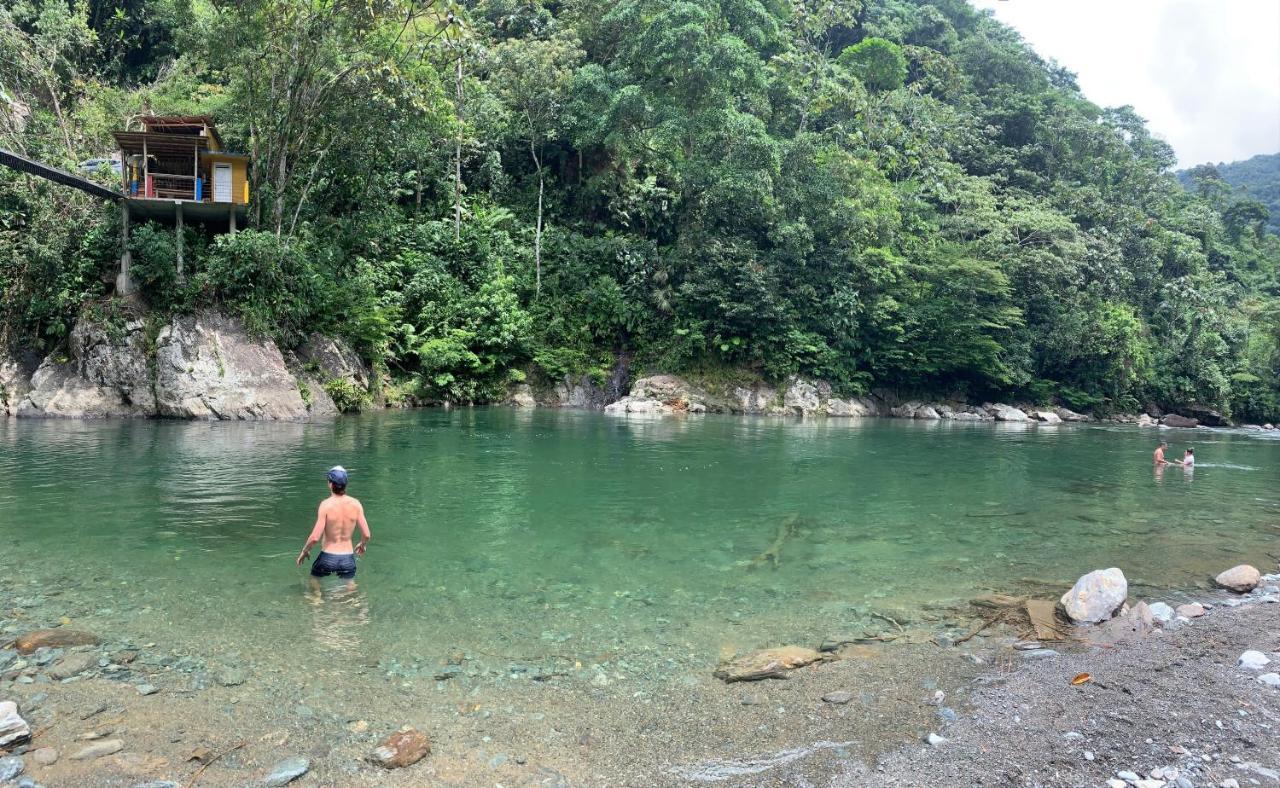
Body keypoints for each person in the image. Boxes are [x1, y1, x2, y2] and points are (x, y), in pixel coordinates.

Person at [296, 466, 371, 589]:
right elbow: (367, 534)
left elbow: (315, 537)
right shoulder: (356, 504)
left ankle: (317, 602)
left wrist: (305, 551)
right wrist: (362, 544)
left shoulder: (325, 505)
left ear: (330, 484)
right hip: (347, 558)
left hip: (327, 557)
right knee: (350, 585)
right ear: (346, 484)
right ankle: (357, 604)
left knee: (314, 580)